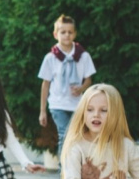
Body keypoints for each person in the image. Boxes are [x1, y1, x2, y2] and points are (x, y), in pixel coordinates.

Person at [38, 14, 96, 161]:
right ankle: (64, 170)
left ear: (75, 34)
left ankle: (78, 167)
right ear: (55, 34)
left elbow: (88, 79)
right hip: (58, 104)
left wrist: (81, 88)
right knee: (65, 133)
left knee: (79, 135)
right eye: (63, 32)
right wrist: (42, 111)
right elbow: (45, 84)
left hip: (77, 104)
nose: (66, 35)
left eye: (70, 32)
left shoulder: (83, 56)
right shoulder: (50, 58)